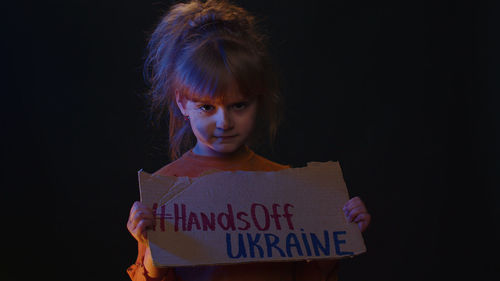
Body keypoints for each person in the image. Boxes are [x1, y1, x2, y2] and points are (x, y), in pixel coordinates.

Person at [126, 0, 371, 280]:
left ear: (258, 100)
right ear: (182, 103)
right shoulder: (165, 194)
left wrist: (338, 233)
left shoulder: (287, 186)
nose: (224, 122)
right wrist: (151, 249)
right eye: (207, 107)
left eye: (238, 105)